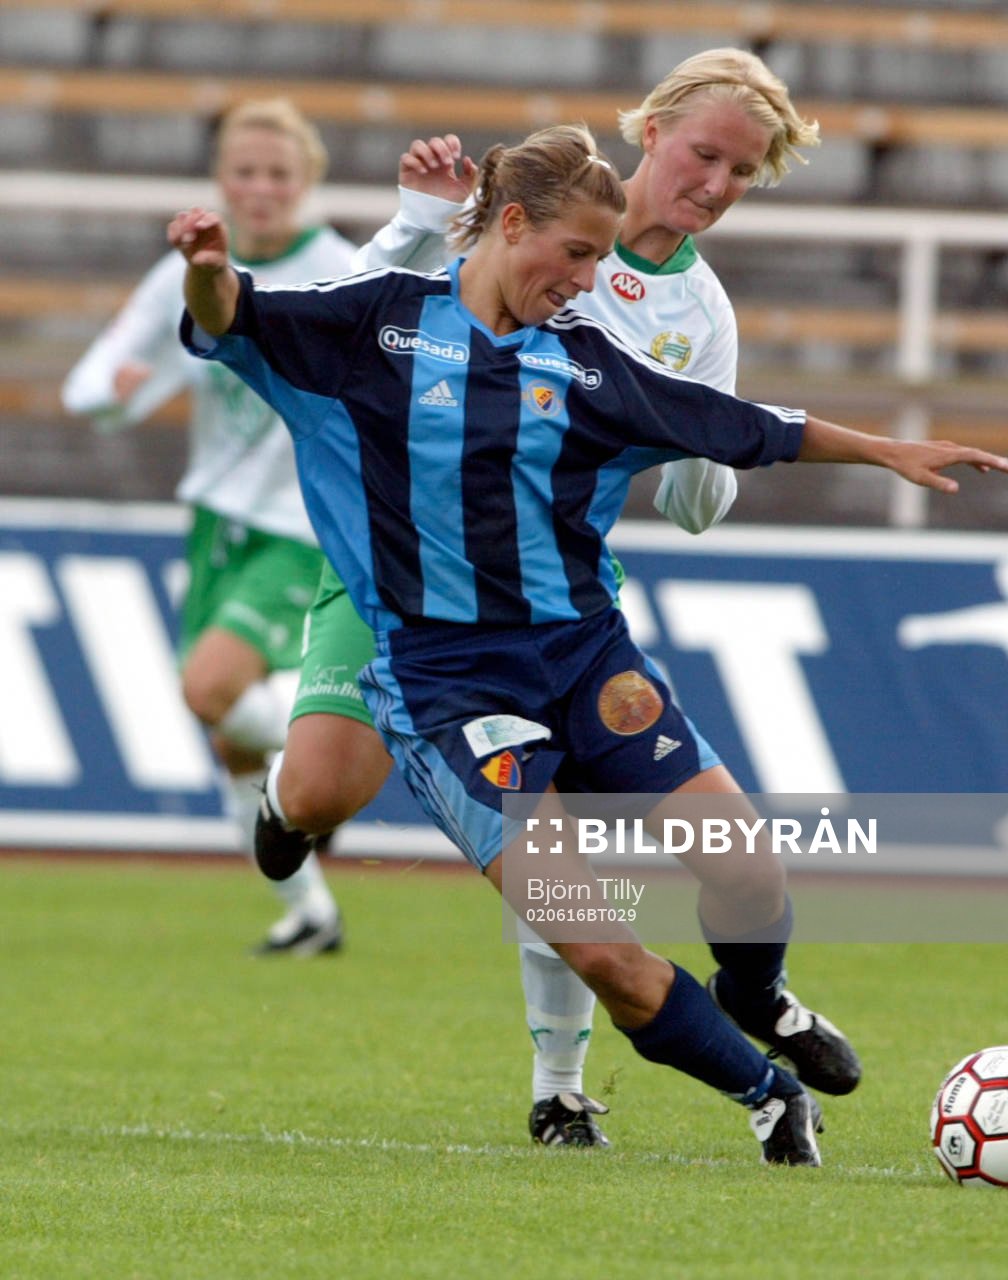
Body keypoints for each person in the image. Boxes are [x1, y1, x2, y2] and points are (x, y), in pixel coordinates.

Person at [171, 123, 1008, 1164]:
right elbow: (235, 315)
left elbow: (735, 423)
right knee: (598, 942)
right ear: (509, 222)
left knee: (747, 866)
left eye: (597, 261)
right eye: (573, 255)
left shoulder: (582, 363)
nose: (584, 282)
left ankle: (753, 993)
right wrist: (207, 270)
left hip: (584, 661)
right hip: (447, 687)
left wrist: (885, 450)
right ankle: (769, 1096)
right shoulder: (375, 326)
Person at [253, 48, 837, 1146]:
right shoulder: (541, 207)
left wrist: (695, 442)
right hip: (394, 568)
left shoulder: (700, 312)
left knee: (560, 845)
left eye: (741, 173)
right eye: (704, 155)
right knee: (325, 789)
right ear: (652, 131)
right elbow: (346, 314)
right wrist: (414, 218)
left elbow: (695, 497)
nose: (715, 184)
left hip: (552, 589)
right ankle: (283, 813)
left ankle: (561, 1088)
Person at [62, 98, 352, 954]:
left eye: (278, 174)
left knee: (208, 687)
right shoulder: (189, 270)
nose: (261, 188)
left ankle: (326, 764)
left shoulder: (339, 269)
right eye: (245, 172)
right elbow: (99, 377)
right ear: (221, 180)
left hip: (301, 524)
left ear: (307, 181)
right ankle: (311, 914)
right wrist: (117, 394)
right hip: (217, 521)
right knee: (228, 736)